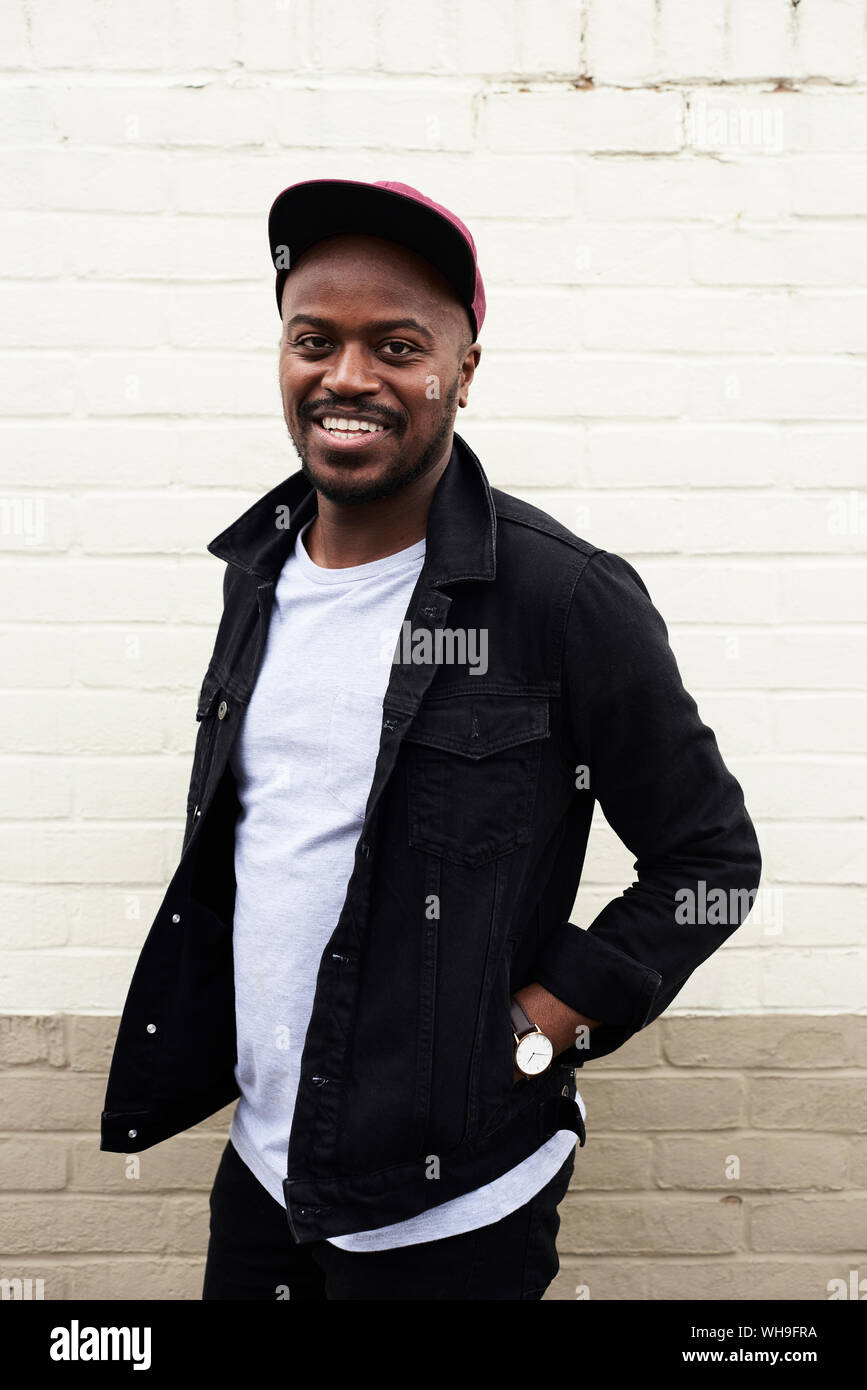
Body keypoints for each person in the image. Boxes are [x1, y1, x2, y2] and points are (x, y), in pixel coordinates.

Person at [100, 179, 762, 1301]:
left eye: (396, 343)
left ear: (463, 370)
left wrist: (543, 1021)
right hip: (266, 1177)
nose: (347, 376)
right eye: (316, 338)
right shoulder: (257, 575)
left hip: (452, 1215)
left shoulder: (562, 597)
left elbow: (711, 865)